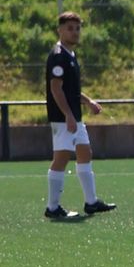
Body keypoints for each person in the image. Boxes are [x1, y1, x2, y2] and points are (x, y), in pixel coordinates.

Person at [43, 11, 116, 220]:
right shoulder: (58, 55)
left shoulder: (71, 55)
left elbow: (71, 90)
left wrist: (88, 101)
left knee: (85, 153)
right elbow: (56, 89)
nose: (75, 32)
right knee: (62, 158)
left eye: (77, 28)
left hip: (75, 116)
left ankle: (91, 202)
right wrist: (67, 115)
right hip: (63, 117)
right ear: (60, 30)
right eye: (70, 28)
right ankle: (52, 207)